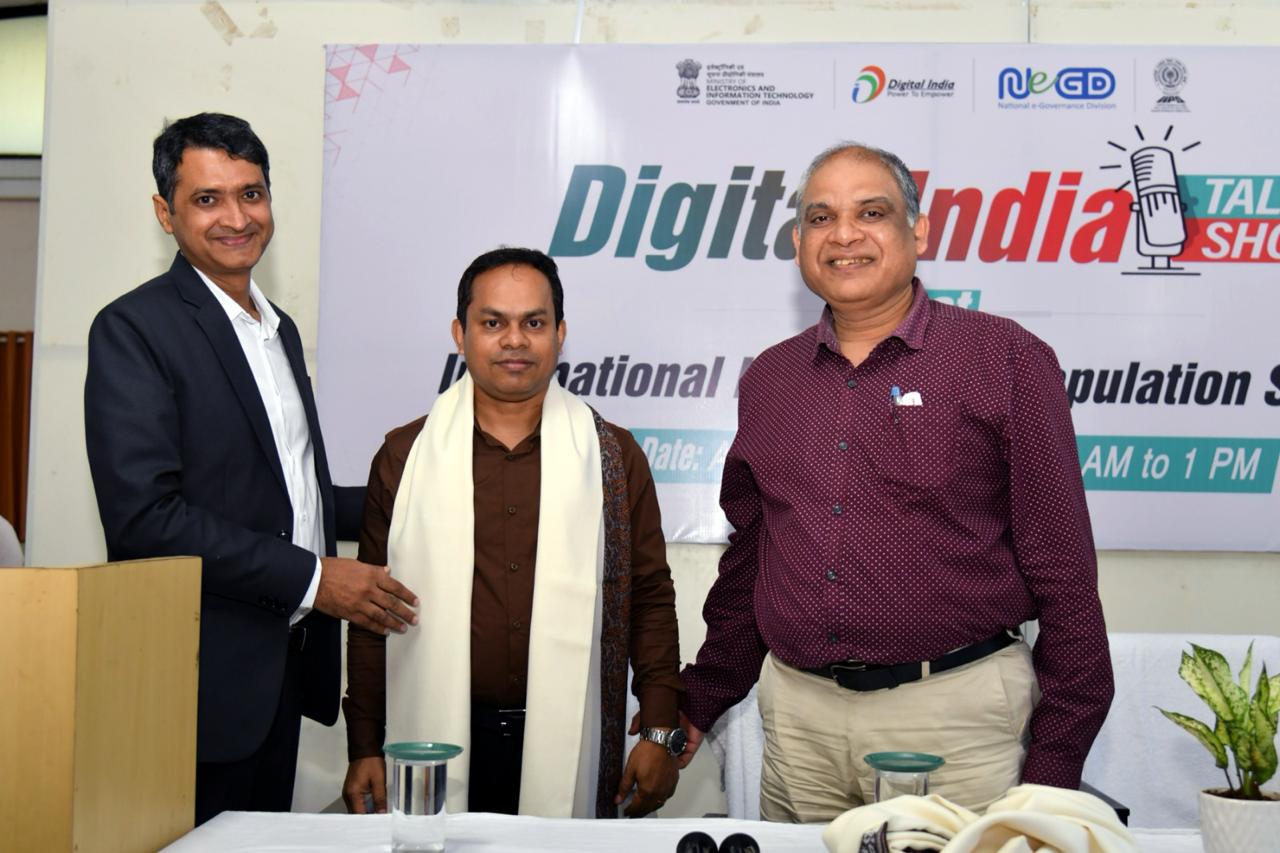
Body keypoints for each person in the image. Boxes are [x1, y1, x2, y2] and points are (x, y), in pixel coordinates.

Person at [678, 143, 1114, 820]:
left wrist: (1054, 767)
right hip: (799, 728)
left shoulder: (1005, 359)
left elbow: (1065, 574)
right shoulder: (770, 379)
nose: (844, 235)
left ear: (919, 232)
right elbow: (754, 559)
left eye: (871, 213)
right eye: (821, 217)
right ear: (798, 242)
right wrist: (699, 699)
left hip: (954, 723)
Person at [84, 112, 420, 824]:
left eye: (251, 193)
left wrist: (428, 492)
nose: (237, 218)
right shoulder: (135, 329)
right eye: (207, 199)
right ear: (165, 213)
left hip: (282, 675)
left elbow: (293, 494)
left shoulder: (278, 330)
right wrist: (316, 577)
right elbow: (145, 519)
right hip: (196, 688)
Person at [341, 247, 684, 819]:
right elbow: (373, 613)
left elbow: (649, 598)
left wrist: (658, 729)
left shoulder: (612, 457)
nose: (515, 340)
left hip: (576, 733)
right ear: (460, 334)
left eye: (534, 322)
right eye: (493, 323)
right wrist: (365, 745)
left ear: (560, 334)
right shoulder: (405, 456)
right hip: (432, 738)